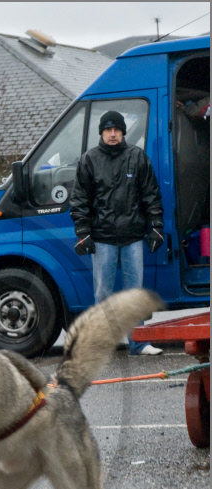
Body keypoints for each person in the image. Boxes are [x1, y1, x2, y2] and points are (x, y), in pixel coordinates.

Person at [70, 110, 164, 355]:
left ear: (123, 132)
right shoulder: (89, 160)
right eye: (108, 129)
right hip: (102, 239)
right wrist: (83, 232)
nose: (113, 134)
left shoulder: (137, 157)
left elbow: (151, 195)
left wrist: (156, 227)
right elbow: (79, 200)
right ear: (101, 132)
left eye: (117, 129)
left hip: (133, 236)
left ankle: (139, 343)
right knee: (103, 294)